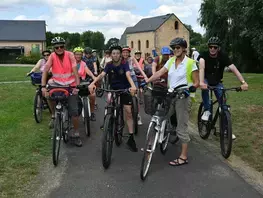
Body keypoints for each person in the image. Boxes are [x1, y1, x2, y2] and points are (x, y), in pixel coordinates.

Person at [145, 37, 199, 166]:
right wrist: (146, 81)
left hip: (183, 97)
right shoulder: (170, 61)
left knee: (181, 127)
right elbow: (160, 72)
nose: (175, 50)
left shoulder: (191, 63)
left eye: (178, 48)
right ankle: (156, 141)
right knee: (161, 116)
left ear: (184, 49)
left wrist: (191, 88)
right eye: (173, 48)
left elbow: (197, 82)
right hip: (171, 94)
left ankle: (183, 156)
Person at [88, 44, 138, 152]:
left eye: (117, 53)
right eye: (113, 53)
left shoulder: (124, 64)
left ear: (120, 55)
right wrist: (93, 83)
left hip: (124, 89)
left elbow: (128, 75)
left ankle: (131, 137)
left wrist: (133, 86)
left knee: (128, 112)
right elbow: (102, 75)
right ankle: (107, 122)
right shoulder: (109, 64)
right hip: (113, 89)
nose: (115, 55)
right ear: (111, 55)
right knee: (109, 104)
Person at [198, 37, 248, 140]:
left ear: (218, 48)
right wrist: (201, 82)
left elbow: (234, 69)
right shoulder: (204, 55)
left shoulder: (223, 56)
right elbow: (201, 68)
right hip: (206, 80)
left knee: (224, 106)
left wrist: (243, 82)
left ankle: (226, 131)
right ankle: (207, 110)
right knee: (205, 90)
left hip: (217, 82)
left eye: (215, 47)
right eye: (210, 47)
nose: (212, 49)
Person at [41, 37, 82, 147]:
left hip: (70, 85)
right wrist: (43, 86)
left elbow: (75, 70)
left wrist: (77, 86)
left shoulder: (70, 55)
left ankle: (76, 134)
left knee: (74, 112)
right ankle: (54, 115)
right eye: (56, 47)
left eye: (61, 46)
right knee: (47, 95)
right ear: (54, 48)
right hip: (56, 84)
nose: (59, 49)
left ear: (64, 47)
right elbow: (45, 70)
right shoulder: (52, 56)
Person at [122, 46, 148, 125]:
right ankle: (122, 116)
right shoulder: (120, 60)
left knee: (135, 97)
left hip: (133, 78)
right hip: (124, 79)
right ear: (122, 53)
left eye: (127, 52)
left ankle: (138, 116)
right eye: (124, 52)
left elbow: (140, 68)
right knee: (123, 98)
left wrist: (145, 76)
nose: (125, 54)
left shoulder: (131, 59)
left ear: (129, 53)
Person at [73, 47, 97, 121]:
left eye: (80, 54)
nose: (78, 56)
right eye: (77, 54)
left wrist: (94, 77)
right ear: (74, 55)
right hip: (72, 83)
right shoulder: (70, 63)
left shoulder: (83, 63)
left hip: (82, 82)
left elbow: (88, 71)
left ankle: (92, 113)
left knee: (92, 95)